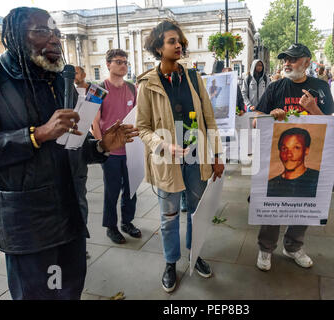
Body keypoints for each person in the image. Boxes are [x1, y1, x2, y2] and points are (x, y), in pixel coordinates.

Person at [0, 7, 138, 299]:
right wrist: (36, 134)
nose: (54, 40)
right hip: (27, 224)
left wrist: (102, 145)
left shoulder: (58, 80)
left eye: (56, 33)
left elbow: (70, 145)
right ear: (13, 36)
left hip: (70, 214)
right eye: (42, 31)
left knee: (70, 291)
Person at [136, 19, 224, 293]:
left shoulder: (194, 78)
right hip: (166, 160)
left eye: (180, 41)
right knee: (170, 215)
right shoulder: (147, 84)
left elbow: (209, 120)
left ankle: (194, 255)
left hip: (197, 157)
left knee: (196, 212)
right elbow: (142, 128)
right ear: (158, 48)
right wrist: (163, 145)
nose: (179, 45)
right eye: (172, 41)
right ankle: (170, 263)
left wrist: (217, 154)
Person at [254, 43, 334, 272]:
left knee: (305, 205)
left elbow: (331, 123)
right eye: (285, 59)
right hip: (276, 161)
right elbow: (256, 119)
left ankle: (293, 246)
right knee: (272, 204)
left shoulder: (320, 87)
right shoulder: (275, 87)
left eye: (293, 59)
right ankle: (266, 248)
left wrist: (314, 109)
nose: (287, 63)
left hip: (310, 162)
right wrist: (270, 116)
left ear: (307, 62)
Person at [91, 49, 141, 244]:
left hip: (131, 149)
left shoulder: (132, 88)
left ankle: (127, 222)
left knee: (131, 189)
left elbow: (137, 116)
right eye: (118, 61)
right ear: (108, 64)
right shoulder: (97, 89)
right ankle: (111, 227)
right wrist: (103, 147)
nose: (123, 65)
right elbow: (94, 123)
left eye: (125, 62)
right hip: (111, 151)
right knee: (112, 191)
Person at [267, 128, 319, 197]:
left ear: (306, 151)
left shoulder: (318, 179)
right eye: (284, 148)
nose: (289, 154)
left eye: (296, 148)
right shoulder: (270, 186)